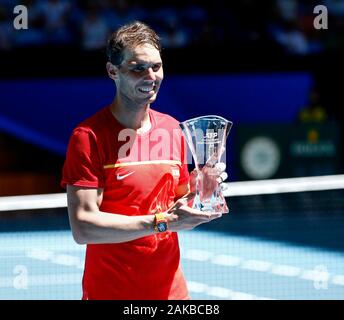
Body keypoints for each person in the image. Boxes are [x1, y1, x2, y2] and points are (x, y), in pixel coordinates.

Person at [61, 21, 226, 300]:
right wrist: (162, 222)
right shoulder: (88, 137)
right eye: (138, 68)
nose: (150, 76)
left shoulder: (172, 128)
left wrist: (201, 190)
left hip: (173, 295)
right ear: (113, 71)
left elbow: (177, 201)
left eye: (156, 67)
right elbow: (83, 226)